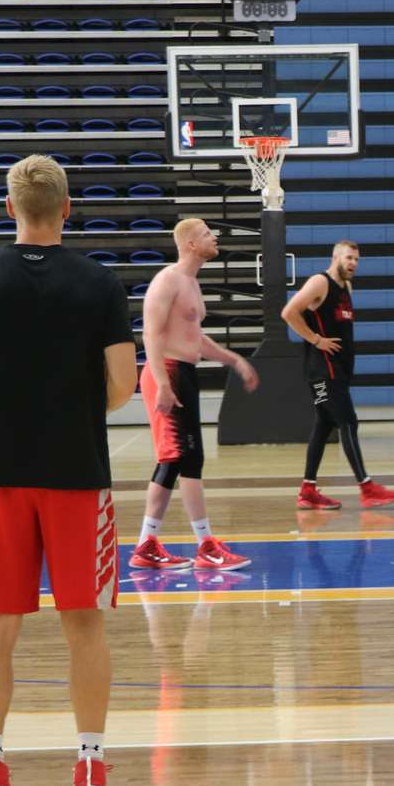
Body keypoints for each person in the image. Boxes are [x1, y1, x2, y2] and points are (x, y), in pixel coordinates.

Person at [0, 154, 139, 786]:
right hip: (78, 474)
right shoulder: (100, 282)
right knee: (85, 623)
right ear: (67, 209)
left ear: (10, 208)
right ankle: (92, 775)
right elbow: (124, 384)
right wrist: (78, 413)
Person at [129, 219, 259, 572]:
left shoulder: (191, 283)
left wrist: (232, 359)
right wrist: (162, 383)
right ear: (189, 243)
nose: (214, 237)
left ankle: (146, 545)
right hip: (167, 372)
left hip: (182, 372)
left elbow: (195, 339)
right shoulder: (168, 279)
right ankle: (205, 545)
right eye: (206, 234)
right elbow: (151, 334)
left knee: (174, 461)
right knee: (188, 459)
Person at [281, 240, 394, 509]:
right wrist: (315, 339)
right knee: (348, 423)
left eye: (357, 260)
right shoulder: (319, 282)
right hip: (322, 369)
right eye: (348, 258)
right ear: (335, 256)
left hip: (339, 369)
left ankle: (308, 491)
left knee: (323, 426)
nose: (353, 264)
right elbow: (288, 312)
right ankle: (367, 487)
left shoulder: (346, 287)